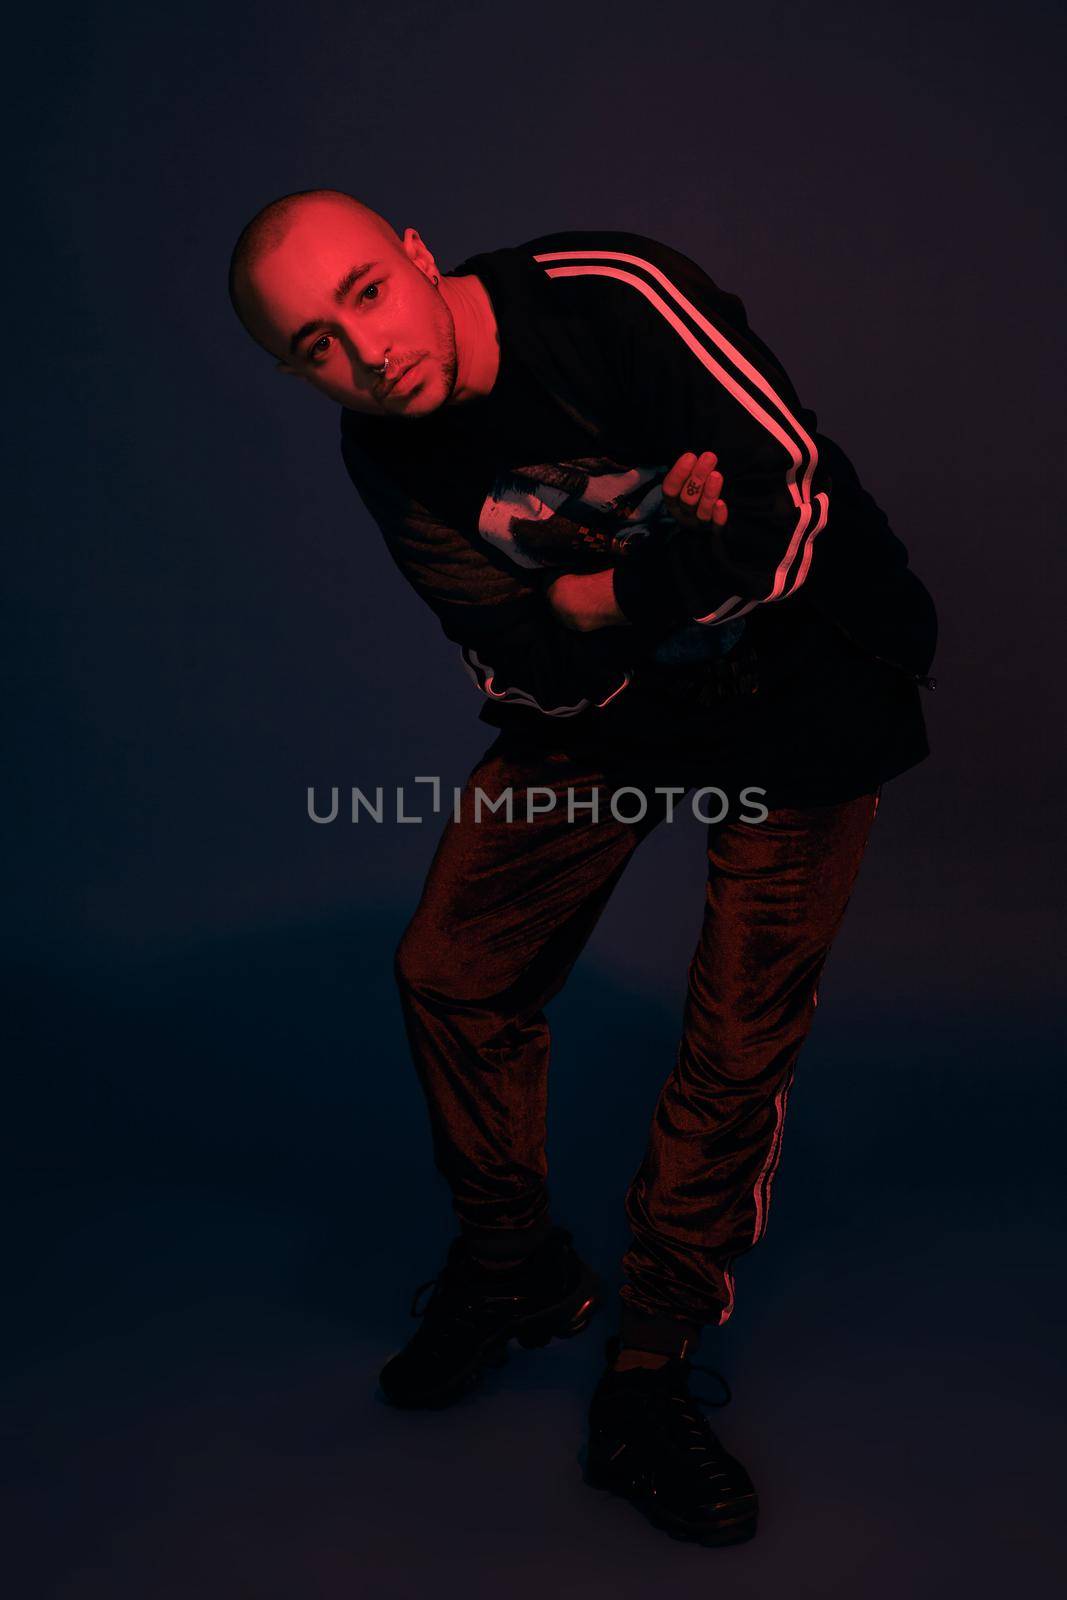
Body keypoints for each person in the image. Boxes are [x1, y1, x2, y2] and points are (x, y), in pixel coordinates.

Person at [228, 189, 938, 1547]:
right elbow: (511, 650)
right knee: (453, 968)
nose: (367, 355)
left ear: (419, 259)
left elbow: (790, 513)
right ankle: (514, 1271)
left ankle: (650, 1372)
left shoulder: (603, 297)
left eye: (368, 293)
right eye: (316, 343)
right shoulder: (385, 454)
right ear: (294, 369)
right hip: (617, 707)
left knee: (736, 1036)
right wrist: (635, 595)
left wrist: (604, 592)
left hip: (811, 682)